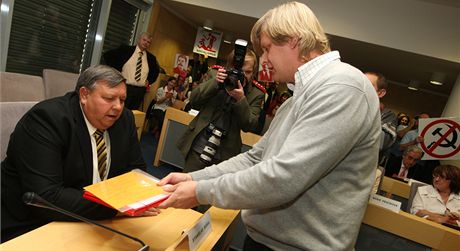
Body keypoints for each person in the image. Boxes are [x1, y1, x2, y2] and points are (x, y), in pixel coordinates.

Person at [157, 2, 381, 250]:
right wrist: (192, 177)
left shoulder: (342, 87)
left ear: (293, 40)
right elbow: (254, 159)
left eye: (266, 49)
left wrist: (199, 191)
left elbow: (284, 177)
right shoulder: (298, 99)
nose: (264, 59)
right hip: (265, 241)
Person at [1, 65, 159, 242]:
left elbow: (135, 172)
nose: (118, 107)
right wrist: (118, 208)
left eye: (122, 100)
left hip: (95, 218)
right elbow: (46, 197)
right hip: (34, 221)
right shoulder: (46, 120)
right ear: (84, 95)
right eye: (109, 98)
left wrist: (130, 203)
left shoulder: (125, 119)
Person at [177, 48, 265, 173]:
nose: (243, 76)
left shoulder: (256, 93)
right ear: (230, 66)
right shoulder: (214, 74)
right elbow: (194, 101)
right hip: (199, 144)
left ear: (254, 72)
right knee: (186, 184)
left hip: (225, 155)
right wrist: (215, 83)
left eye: (248, 72)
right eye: (240, 71)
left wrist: (241, 99)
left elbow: (250, 125)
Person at [103, 32, 160, 110]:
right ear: (139, 40)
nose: (146, 43)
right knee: (119, 111)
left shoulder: (151, 58)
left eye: (148, 42)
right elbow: (108, 56)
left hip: (139, 91)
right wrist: (116, 74)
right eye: (144, 40)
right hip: (125, 88)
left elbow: (155, 72)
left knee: (131, 115)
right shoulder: (126, 50)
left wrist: (149, 81)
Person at [365, 72, 397, 164]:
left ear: (381, 93)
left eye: (369, 85)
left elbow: (381, 143)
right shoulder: (348, 106)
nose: (362, 87)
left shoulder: (387, 115)